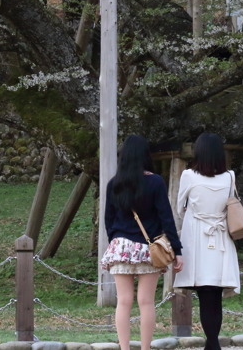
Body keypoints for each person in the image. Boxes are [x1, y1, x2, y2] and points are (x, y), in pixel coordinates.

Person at [100, 134, 183, 350]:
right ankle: (145, 348)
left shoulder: (113, 184)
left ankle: (125, 348)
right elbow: (166, 218)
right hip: (149, 249)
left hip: (121, 247)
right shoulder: (155, 182)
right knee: (146, 302)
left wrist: (116, 241)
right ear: (145, 155)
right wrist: (177, 249)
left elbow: (108, 220)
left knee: (124, 301)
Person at [173, 133, 241, 350]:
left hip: (197, 237)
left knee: (204, 292)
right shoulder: (229, 176)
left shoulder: (188, 176)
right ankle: (213, 342)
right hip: (220, 236)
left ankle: (211, 343)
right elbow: (230, 204)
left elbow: (179, 207)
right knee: (215, 293)